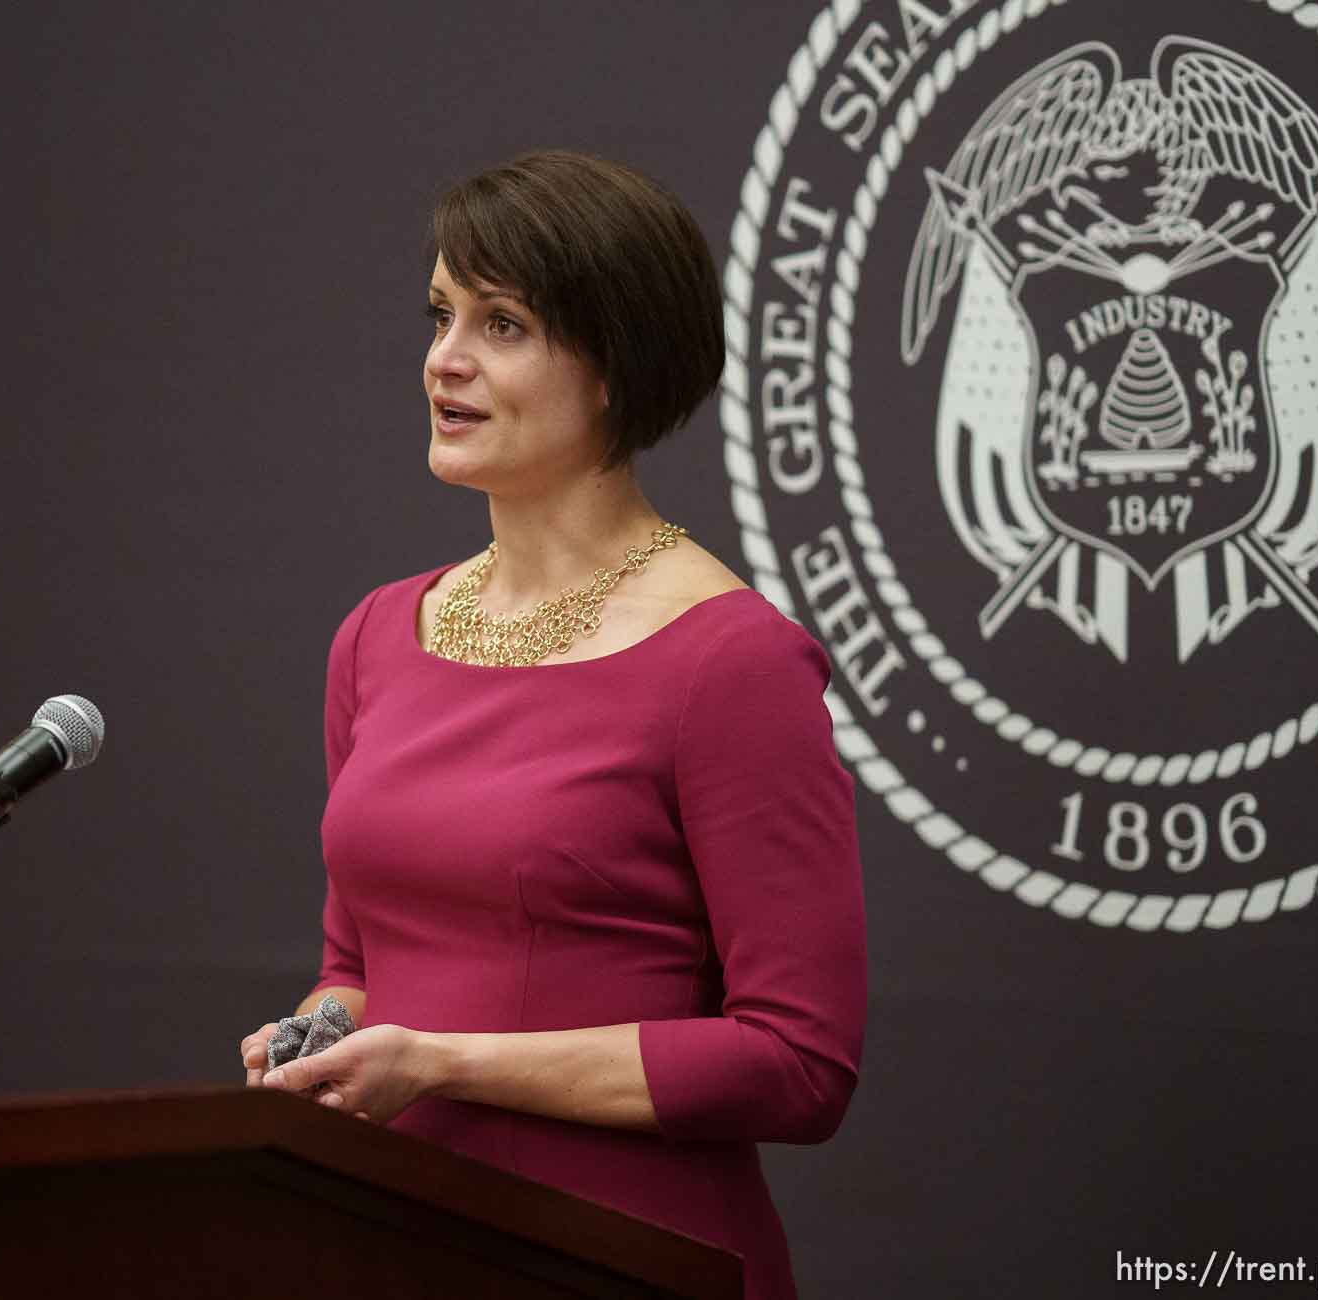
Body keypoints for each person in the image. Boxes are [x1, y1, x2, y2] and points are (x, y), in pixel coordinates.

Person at [238, 150, 866, 1300]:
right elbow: (358, 963)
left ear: (616, 367)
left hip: (619, 1252)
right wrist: (319, 1029)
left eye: (506, 324)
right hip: (393, 1242)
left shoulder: (733, 661)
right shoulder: (378, 634)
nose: (447, 359)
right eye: (441, 315)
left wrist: (443, 1061)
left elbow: (798, 1063)